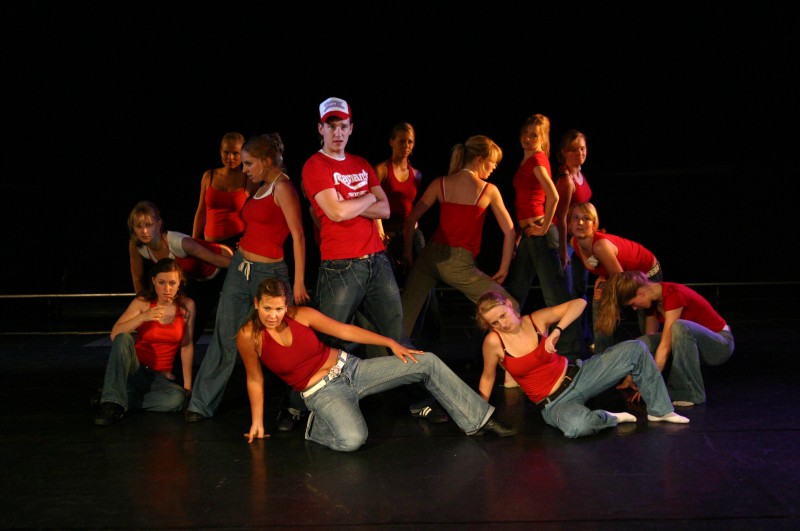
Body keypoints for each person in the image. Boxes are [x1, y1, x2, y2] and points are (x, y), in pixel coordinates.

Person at [237, 278, 518, 451]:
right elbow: (254, 379)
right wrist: (257, 422)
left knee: (426, 362)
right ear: (256, 304)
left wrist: (390, 342)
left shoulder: (301, 315)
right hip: (322, 393)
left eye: (279, 309)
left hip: (352, 369)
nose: (273, 316)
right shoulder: (250, 336)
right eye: (267, 308)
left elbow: (345, 331)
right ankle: (317, 426)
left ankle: (479, 420)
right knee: (352, 440)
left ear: (286, 306)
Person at [301, 97, 447, 423]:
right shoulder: (315, 166)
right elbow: (335, 213)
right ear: (320, 129)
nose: (337, 133)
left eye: (343, 126)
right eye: (331, 126)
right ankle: (297, 404)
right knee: (329, 338)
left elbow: (385, 208)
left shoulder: (361, 164)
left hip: (377, 262)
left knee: (398, 336)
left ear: (351, 128)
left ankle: (416, 400)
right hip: (341, 266)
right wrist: (366, 198)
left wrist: (355, 200)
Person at [185, 133, 310, 422]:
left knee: (285, 338)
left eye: (249, 163)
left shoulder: (283, 188)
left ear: (265, 161)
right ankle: (201, 404)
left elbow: (299, 236)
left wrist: (299, 280)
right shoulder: (261, 186)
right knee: (224, 334)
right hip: (240, 267)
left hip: (269, 273)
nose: (244, 169)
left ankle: (299, 401)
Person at [474, 290, 689, 439]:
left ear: (509, 305)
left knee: (635, 349)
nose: (502, 324)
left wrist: (557, 331)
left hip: (579, 375)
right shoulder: (494, 342)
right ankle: (608, 417)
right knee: (578, 427)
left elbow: (580, 303)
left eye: (503, 315)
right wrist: (478, 415)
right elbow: (487, 376)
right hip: (554, 403)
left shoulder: (535, 320)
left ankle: (660, 410)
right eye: (494, 322)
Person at [400, 134, 518, 340]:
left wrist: (409, 255)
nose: (494, 167)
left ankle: (384, 357)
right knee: (510, 307)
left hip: (429, 257)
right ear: (480, 160)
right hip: (458, 264)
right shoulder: (488, 190)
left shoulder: (440, 183)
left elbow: (410, 221)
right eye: (493, 162)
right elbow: (510, 231)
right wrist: (504, 268)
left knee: (401, 319)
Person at [503, 114, 583, 361]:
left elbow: (554, 197)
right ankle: (508, 344)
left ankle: (570, 352)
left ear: (543, 138)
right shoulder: (528, 160)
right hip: (529, 235)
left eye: (534, 135)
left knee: (556, 297)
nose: (528, 138)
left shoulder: (537, 159)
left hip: (540, 234)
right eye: (526, 134)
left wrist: (543, 227)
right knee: (514, 293)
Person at [595, 271, 734, 406]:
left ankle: (689, 393)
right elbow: (649, 341)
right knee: (641, 342)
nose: (635, 308)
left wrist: (649, 385)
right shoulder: (652, 302)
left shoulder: (673, 294)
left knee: (679, 327)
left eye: (633, 304)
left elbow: (665, 347)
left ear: (640, 293)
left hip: (719, 345)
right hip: (692, 344)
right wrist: (632, 376)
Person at [94, 258, 195, 426]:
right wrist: (142, 317)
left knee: (177, 399)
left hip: (160, 377)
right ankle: (111, 404)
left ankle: (117, 399)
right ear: (154, 281)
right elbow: (115, 334)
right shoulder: (143, 303)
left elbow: (186, 346)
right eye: (162, 282)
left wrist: (188, 386)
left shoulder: (187, 306)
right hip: (136, 369)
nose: (167, 289)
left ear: (179, 283)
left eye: (172, 283)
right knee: (124, 338)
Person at [373, 122, 440, 344]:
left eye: (410, 141)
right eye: (402, 141)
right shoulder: (382, 170)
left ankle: (430, 336)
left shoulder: (416, 174)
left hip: (411, 232)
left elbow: (413, 207)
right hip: (387, 233)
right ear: (392, 142)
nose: (406, 145)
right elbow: (374, 204)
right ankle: (393, 333)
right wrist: (380, 233)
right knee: (388, 284)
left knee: (424, 279)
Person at [127, 200, 233, 340]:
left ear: (159, 224)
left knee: (196, 323)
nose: (144, 231)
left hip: (220, 268)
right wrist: (142, 305)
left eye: (149, 225)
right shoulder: (136, 245)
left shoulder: (178, 242)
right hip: (194, 277)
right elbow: (137, 279)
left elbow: (216, 259)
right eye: (139, 226)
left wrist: (247, 264)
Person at [568, 201, 662, 354]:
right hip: (622, 275)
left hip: (646, 274)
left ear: (594, 225)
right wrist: (603, 278)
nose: (580, 222)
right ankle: (603, 356)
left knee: (646, 327)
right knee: (599, 300)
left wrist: (608, 292)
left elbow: (621, 279)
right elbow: (599, 264)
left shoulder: (600, 245)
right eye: (575, 217)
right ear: (569, 224)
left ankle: (652, 358)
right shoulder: (574, 243)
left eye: (586, 218)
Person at [553, 130, 593, 346]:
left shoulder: (580, 175)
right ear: (564, 153)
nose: (579, 153)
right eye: (574, 150)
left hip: (581, 241)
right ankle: (571, 343)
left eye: (582, 149)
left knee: (581, 290)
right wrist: (563, 250)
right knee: (569, 294)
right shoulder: (566, 180)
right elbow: (560, 218)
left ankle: (584, 338)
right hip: (568, 242)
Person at [192, 131, 260, 251]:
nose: (230, 157)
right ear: (220, 151)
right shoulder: (209, 176)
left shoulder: (250, 180)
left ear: (244, 154)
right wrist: (193, 242)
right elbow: (201, 212)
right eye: (226, 152)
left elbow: (258, 216)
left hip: (237, 242)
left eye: (235, 153)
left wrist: (250, 238)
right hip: (209, 244)